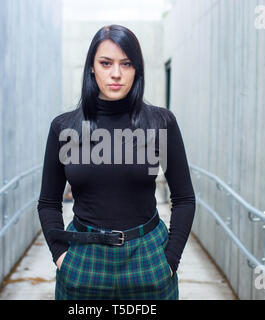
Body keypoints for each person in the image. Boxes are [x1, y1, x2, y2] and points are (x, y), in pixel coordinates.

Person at [37, 25, 196, 300]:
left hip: (148, 256)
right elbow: (48, 203)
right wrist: (61, 256)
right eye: (106, 63)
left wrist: (170, 261)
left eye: (126, 63)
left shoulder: (160, 124)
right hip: (83, 258)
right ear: (91, 68)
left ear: (137, 70)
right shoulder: (64, 128)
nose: (116, 74)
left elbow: (184, 198)